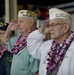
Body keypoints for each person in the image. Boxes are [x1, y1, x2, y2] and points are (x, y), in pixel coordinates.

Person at [27, 8, 74, 75]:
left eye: (54, 25)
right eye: (49, 25)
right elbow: (32, 46)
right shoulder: (47, 45)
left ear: (65, 27)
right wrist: (41, 32)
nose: (50, 29)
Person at [2, 10, 39, 75]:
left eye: (21, 22)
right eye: (18, 22)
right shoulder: (19, 39)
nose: (18, 24)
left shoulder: (35, 41)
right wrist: (9, 29)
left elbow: (37, 71)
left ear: (30, 23)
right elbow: (5, 40)